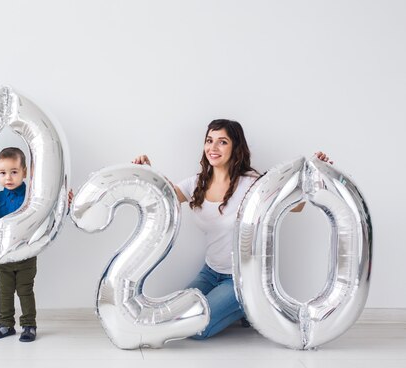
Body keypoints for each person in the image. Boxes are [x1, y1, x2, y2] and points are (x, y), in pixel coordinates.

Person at [133, 119, 330, 339]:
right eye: (209, 141)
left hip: (240, 278)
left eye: (222, 142)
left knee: (198, 330)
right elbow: (164, 196)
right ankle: (236, 308)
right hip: (209, 272)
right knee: (176, 315)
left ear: (236, 148)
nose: (213, 148)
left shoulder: (252, 183)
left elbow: (296, 207)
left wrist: (314, 174)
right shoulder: (197, 183)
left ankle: (247, 305)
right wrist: (147, 172)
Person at [0, 147, 38, 342]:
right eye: (3, 173)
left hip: (25, 253)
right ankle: (6, 324)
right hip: (3, 254)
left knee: (25, 290)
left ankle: (29, 325)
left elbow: (46, 217)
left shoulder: (33, 197)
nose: (8, 177)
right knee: (5, 291)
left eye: (14, 172)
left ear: (24, 172)